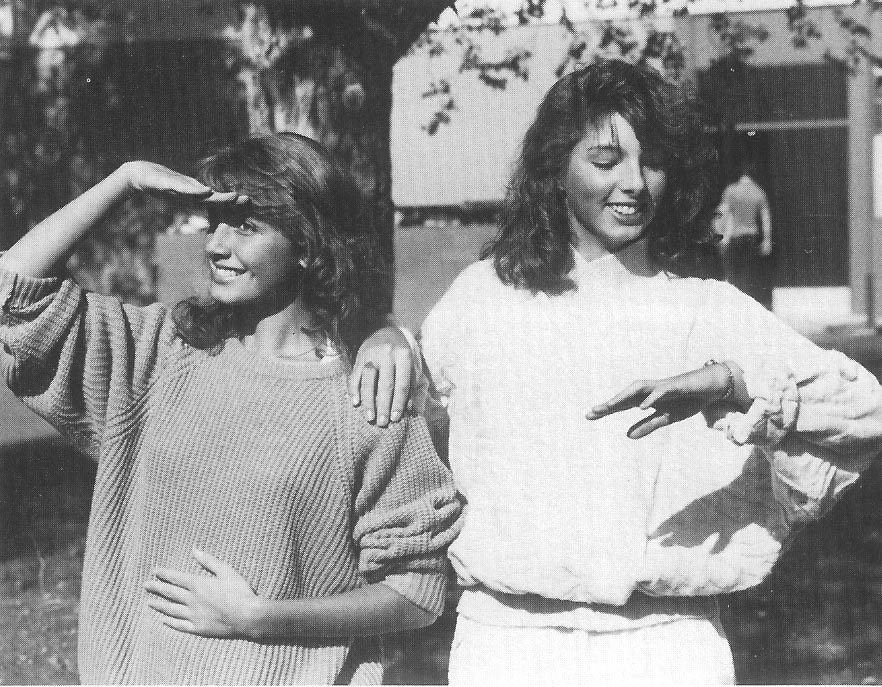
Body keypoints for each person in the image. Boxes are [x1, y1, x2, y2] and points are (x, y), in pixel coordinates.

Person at [395, 60, 882, 684]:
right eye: (605, 161)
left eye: (652, 162)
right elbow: (401, 409)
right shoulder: (483, 298)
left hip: (667, 646)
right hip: (507, 644)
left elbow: (864, 413)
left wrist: (734, 386)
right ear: (555, 169)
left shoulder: (708, 309)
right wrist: (386, 338)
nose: (633, 184)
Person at [0, 132, 462, 684]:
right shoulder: (160, 354)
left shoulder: (366, 395)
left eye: (244, 226)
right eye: (213, 222)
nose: (216, 245)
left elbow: (417, 593)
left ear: (308, 246)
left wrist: (261, 619)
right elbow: (13, 293)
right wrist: (123, 181)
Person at [718, 160, 773, 302]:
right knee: (750, 275)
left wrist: (722, 236)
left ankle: (736, 304)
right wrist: (767, 240)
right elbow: (765, 218)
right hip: (752, 237)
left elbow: (724, 213)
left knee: (735, 276)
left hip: (736, 237)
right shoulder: (758, 192)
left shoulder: (731, 190)